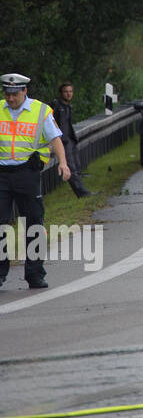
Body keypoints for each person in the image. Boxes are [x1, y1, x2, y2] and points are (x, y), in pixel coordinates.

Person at [0, 73, 72, 289]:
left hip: (27, 174)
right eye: (7, 93)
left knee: (34, 224)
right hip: (2, 174)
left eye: (14, 94)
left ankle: (35, 274)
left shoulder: (40, 111)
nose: (10, 98)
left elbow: (55, 138)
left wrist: (63, 163)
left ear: (24, 91)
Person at [52, 83, 91, 198]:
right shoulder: (56, 106)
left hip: (70, 139)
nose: (69, 94)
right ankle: (82, 193)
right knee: (71, 168)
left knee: (77, 166)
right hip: (63, 141)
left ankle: (83, 190)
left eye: (70, 91)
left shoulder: (68, 106)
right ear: (61, 93)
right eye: (66, 91)